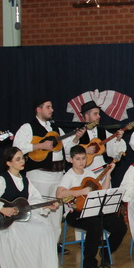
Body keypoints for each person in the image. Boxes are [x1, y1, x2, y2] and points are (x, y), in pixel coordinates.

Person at [0, 147, 59, 268]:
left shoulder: (25, 180)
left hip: (20, 219)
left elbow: (34, 200)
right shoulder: (1, 180)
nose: (22, 161)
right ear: (8, 163)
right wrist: (1, 208)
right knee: (32, 233)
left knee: (46, 229)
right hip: (6, 223)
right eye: (18, 159)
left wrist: (46, 206)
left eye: (23, 158)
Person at [13, 98, 81, 250]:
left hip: (58, 176)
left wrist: (76, 138)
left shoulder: (56, 128)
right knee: (39, 210)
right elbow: (17, 147)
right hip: (39, 175)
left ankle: (53, 244)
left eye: (51, 107)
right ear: (38, 109)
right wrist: (40, 145)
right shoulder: (28, 127)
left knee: (56, 213)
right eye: (48, 107)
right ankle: (37, 244)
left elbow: (68, 148)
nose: (52, 110)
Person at [56, 146, 128, 268]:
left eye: (83, 158)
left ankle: (105, 252)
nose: (81, 162)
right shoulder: (69, 176)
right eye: (78, 159)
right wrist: (81, 191)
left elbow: (102, 191)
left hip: (93, 209)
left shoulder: (89, 173)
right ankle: (88, 264)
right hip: (74, 213)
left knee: (120, 226)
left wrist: (108, 175)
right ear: (71, 160)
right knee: (95, 225)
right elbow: (59, 194)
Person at [75, 100, 127, 166]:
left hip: (102, 168)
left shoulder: (103, 131)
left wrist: (118, 139)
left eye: (99, 114)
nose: (99, 116)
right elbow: (69, 153)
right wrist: (84, 151)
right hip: (84, 169)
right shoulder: (78, 132)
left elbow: (113, 152)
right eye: (95, 114)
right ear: (87, 116)